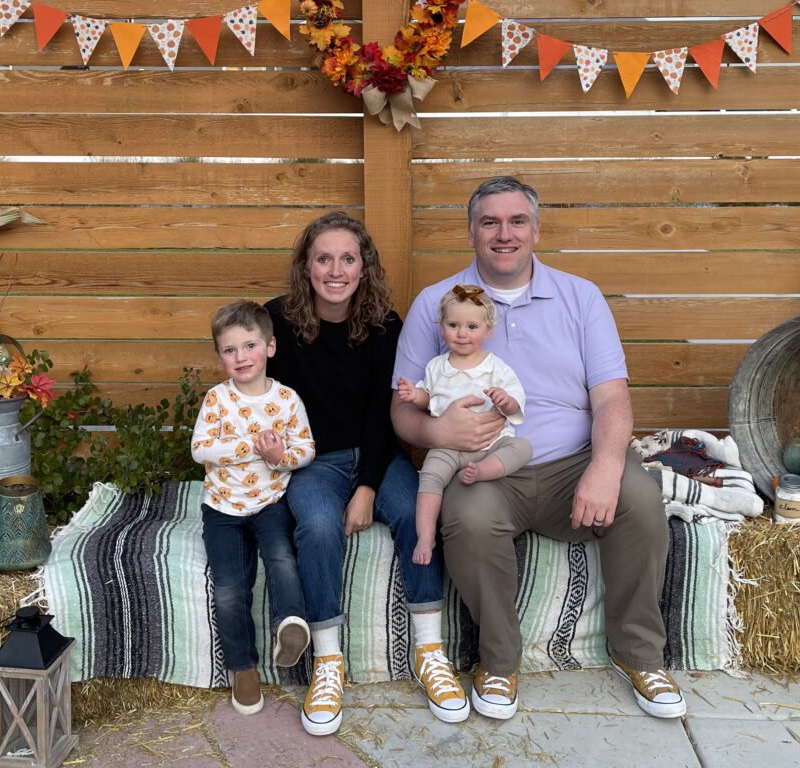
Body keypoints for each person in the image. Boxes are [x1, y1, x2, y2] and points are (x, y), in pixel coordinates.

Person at [391, 176, 687, 721]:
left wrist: (604, 466)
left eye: (516, 221)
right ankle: (498, 664)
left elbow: (613, 398)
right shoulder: (435, 304)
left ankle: (639, 654)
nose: (504, 234)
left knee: (641, 502)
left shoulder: (581, 296)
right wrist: (437, 434)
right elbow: (403, 410)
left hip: (572, 461)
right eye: (490, 222)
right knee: (473, 523)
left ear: (536, 229)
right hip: (481, 465)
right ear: (472, 231)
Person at [266, 211, 469, 736]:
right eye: (324, 258)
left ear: (364, 266)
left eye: (348, 258)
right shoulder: (278, 324)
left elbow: (387, 415)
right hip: (312, 462)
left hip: (377, 456)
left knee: (414, 510)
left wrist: (367, 487)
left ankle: (430, 651)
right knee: (315, 524)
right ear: (306, 266)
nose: (336, 270)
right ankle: (327, 662)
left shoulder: (384, 325)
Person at [192, 300, 315, 716]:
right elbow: (200, 449)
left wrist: (281, 457)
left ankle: (291, 624)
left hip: (269, 502)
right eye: (229, 350)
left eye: (249, 346)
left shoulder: (287, 399)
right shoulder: (216, 400)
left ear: (271, 347)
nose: (240, 357)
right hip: (222, 508)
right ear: (220, 356)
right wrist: (251, 447)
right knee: (230, 588)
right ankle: (242, 669)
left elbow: (307, 449)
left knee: (282, 558)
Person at [395, 284, 532, 566]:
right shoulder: (436, 366)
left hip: (491, 444)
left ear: (488, 330)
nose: (462, 333)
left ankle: (484, 471)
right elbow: (428, 397)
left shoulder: (495, 367)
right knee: (430, 475)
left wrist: (504, 400)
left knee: (522, 447)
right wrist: (414, 395)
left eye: (472, 326)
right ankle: (425, 535)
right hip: (448, 446)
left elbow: (516, 402)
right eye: (453, 324)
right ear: (441, 327)